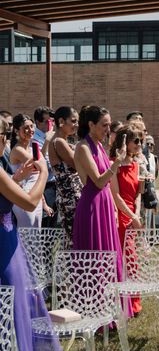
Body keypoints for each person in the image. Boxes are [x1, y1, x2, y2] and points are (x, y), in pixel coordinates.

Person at [0, 152, 81, 351]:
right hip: (5, 247)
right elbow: (27, 201)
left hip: (9, 243)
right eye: (2, 134)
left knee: (10, 312)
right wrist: (44, 173)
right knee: (16, 313)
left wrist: (14, 178)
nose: (4, 140)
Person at [72, 106, 132, 318]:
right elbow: (97, 181)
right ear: (91, 125)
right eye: (104, 125)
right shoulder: (82, 148)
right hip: (92, 207)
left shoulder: (98, 145)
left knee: (110, 254)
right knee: (95, 258)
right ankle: (94, 311)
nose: (108, 129)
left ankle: (112, 310)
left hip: (105, 205)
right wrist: (117, 161)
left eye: (109, 124)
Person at [110, 126, 144, 316]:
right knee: (127, 259)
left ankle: (134, 302)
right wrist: (131, 217)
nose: (139, 144)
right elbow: (116, 195)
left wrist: (137, 213)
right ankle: (127, 303)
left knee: (133, 259)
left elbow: (138, 193)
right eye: (136, 140)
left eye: (140, 140)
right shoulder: (114, 164)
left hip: (133, 214)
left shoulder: (137, 164)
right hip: (121, 216)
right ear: (125, 142)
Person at [9, 114, 51, 227]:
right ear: (17, 131)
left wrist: (44, 203)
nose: (30, 130)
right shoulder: (18, 150)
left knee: (36, 238)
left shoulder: (33, 148)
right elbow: (41, 167)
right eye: (26, 128)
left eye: (32, 126)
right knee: (27, 238)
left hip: (36, 197)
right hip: (23, 197)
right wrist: (47, 140)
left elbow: (37, 178)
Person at [49, 106, 82, 247]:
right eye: (73, 121)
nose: (77, 125)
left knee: (72, 237)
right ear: (61, 121)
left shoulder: (64, 141)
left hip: (71, 194)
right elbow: (78, 164)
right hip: (69, 196)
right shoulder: (59, 142)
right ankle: (72, 268)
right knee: (73, 239)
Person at [32, 106, 57, 227]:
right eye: (48, 121)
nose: (51, 125)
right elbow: (40, 165)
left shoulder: (54, 137)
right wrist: (47, 141)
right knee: (45, 225)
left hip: (54, 185)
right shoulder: (34, 140)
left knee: (53, 226)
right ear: (38, 122)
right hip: (44, 187)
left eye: (53, 121)